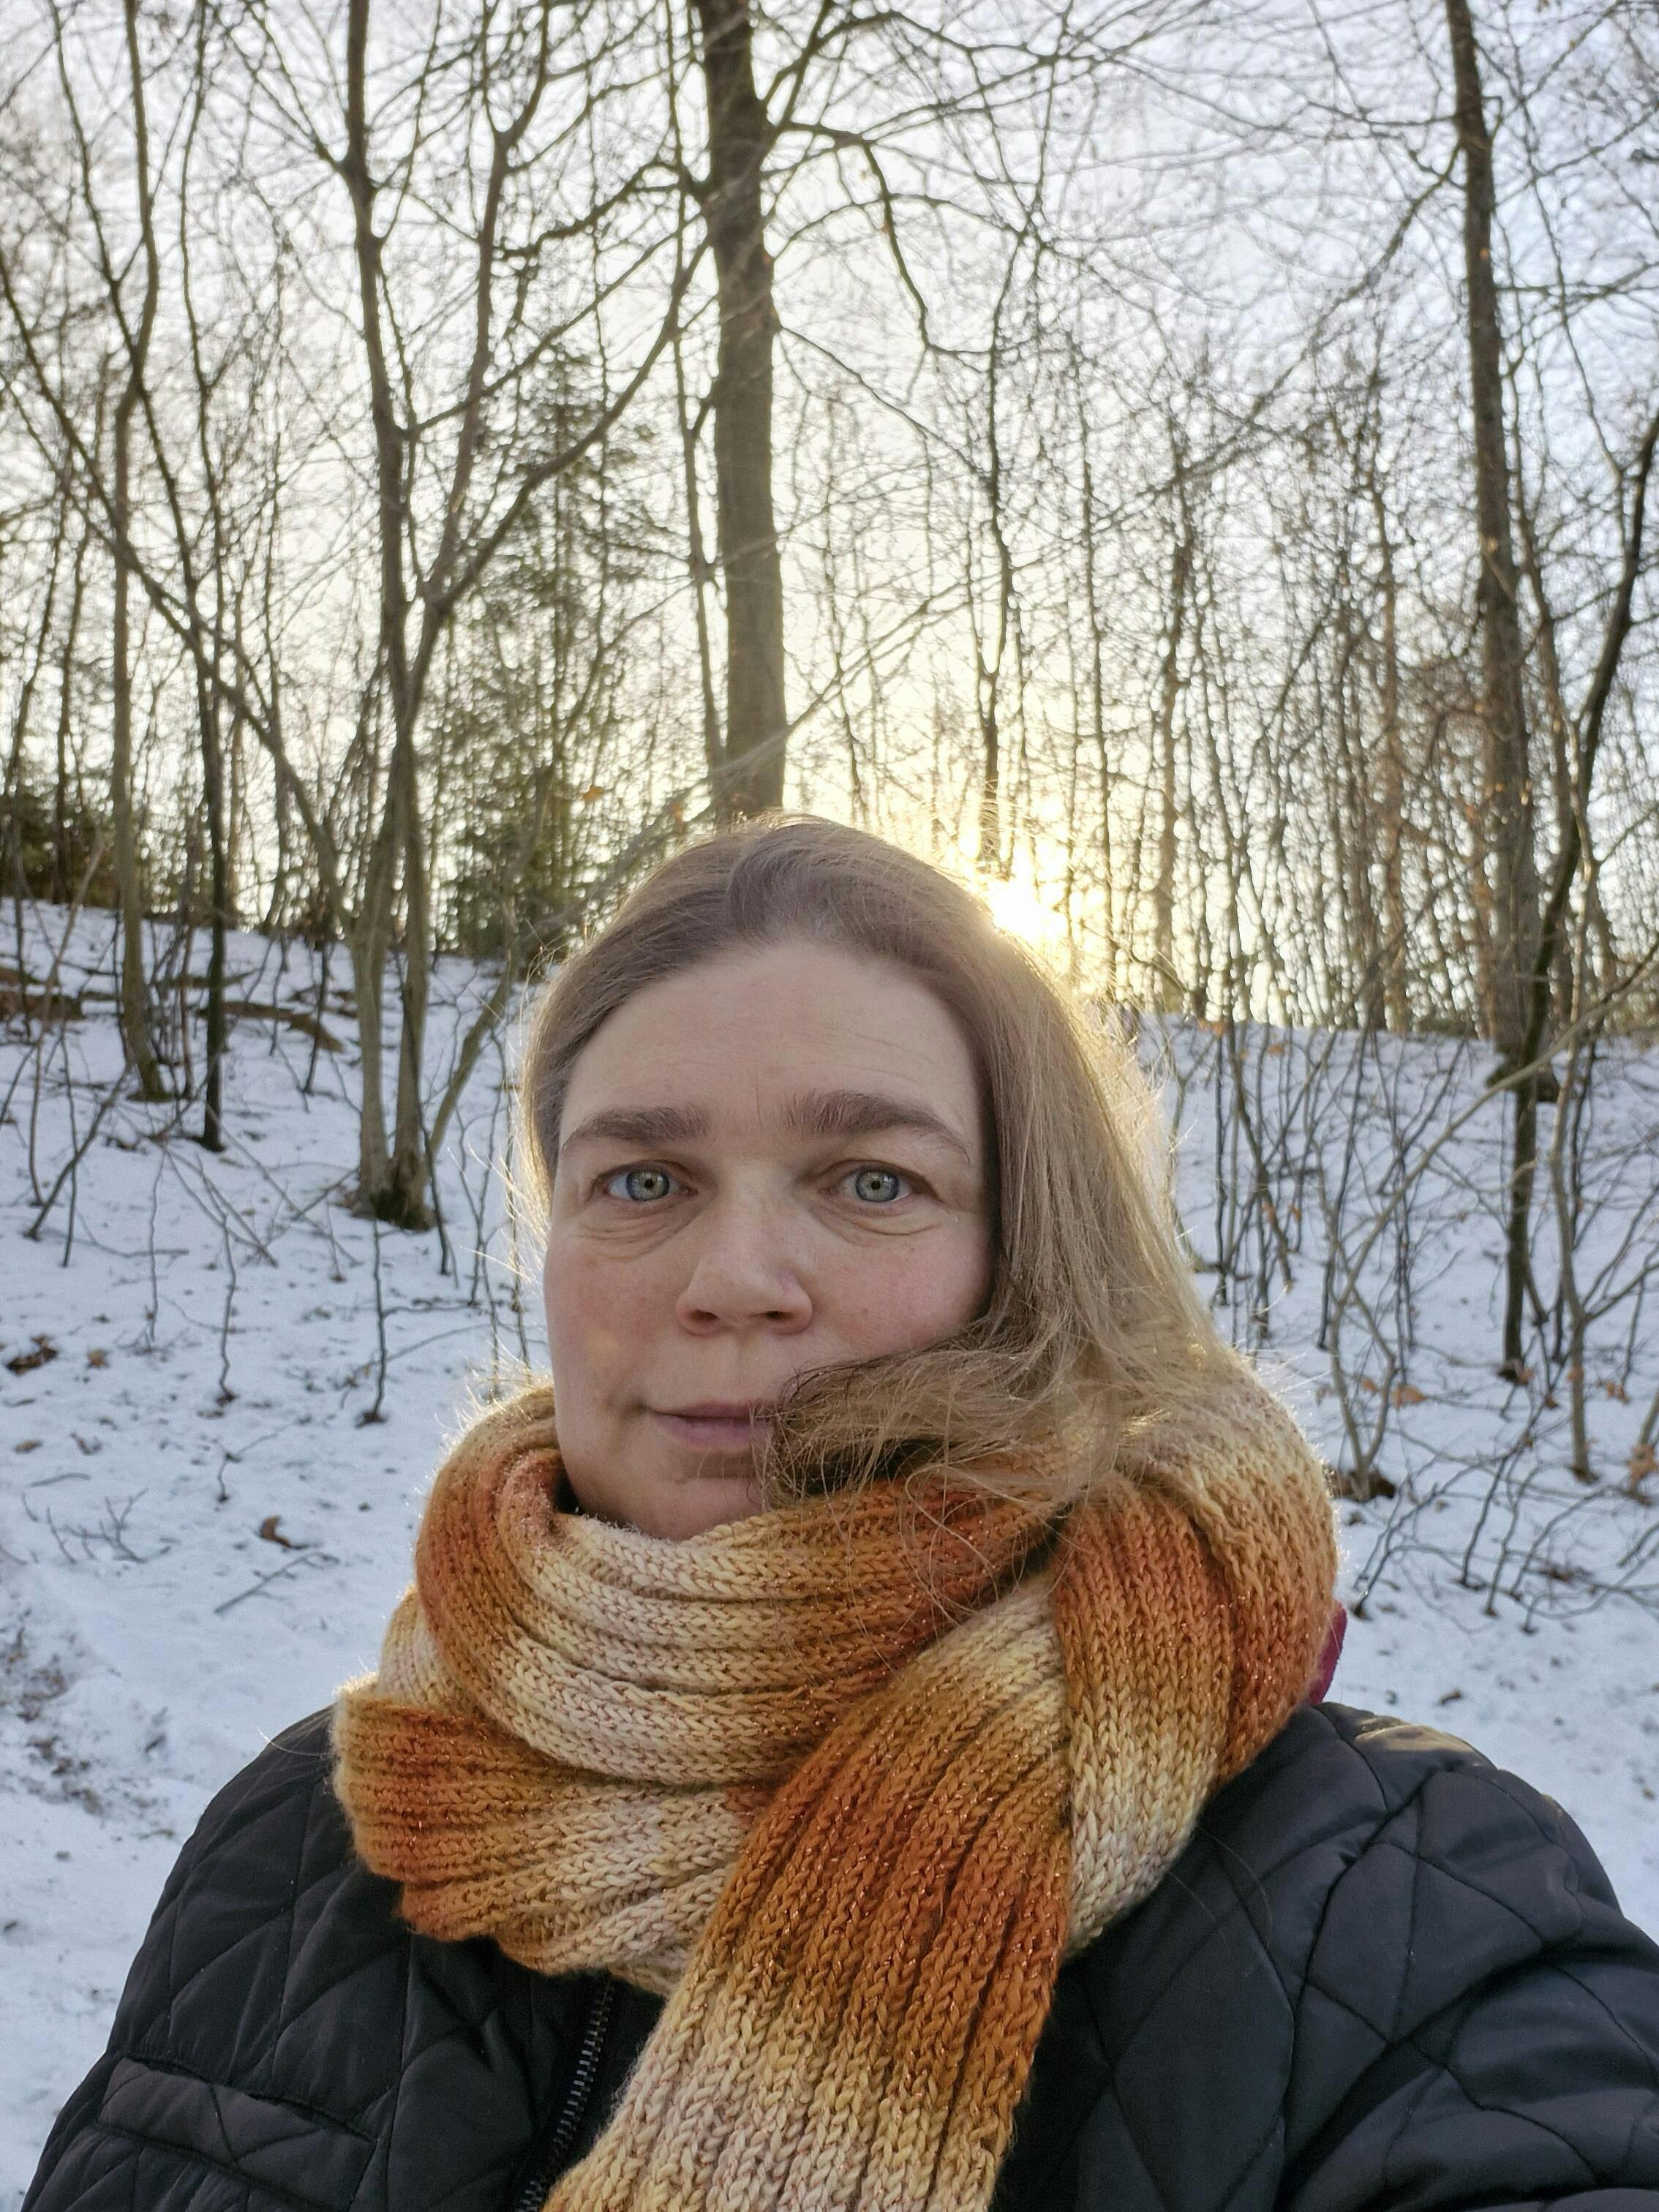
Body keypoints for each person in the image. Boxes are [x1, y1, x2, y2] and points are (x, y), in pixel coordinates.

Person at [24, 817, 1659, 2212]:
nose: (737, 1280)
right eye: (642, 1181)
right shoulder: (303, 1839)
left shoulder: (1399, 1904)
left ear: (1031, 1261)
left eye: (874, 1181)